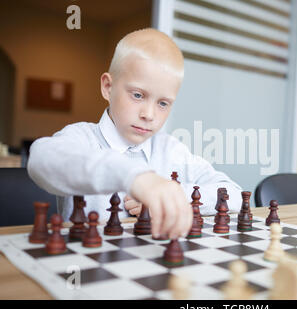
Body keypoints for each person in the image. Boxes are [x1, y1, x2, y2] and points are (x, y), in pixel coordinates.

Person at [27, 28, 242, 240]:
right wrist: (137, 179)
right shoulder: (82, 138)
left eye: (163, 103)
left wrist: (172, 195)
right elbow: (40, 160)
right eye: (138, 95)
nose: (149, 114)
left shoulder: (172, 150)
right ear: (108, 87)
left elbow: (234, 195)